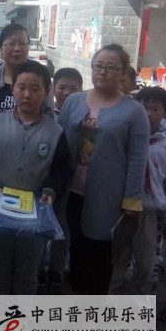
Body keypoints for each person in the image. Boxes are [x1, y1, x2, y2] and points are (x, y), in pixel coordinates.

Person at [0, 60, 71, 331]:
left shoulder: (55, 132)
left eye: (35, 88)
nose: (27, 94)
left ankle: (19, 329)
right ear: (13, 89)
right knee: (0, 270)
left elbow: (62, 170)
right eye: (22, 87)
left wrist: (51, 189)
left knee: (28, 271)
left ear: (46, 92)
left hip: (34, 215)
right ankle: (2, 326)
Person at [0, 23, 53, 299]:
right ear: (1, 47)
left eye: (22, 43)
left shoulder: (39, 78)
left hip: (30, 170)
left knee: (27, 230)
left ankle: (24, 282)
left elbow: (50, 122)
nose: (17, 48)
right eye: (11, 43)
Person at [59, 44, 149, 294]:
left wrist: (132, 200)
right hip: (72, 191)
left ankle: (94, 305)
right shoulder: (74, 102)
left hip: (109, 196)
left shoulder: (134, 111)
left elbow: (137, 159)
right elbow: (60, 144)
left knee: (99, 253)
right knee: (75, 247)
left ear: (123, 73)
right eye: (98, 66)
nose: (103, 72)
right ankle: (79, 299)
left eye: (111, 67)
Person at [110, 86, 166, 295]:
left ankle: (143, 294)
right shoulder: (126, 136)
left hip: (150, 211)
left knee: (146, 256)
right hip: (123, 207)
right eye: (144, 108)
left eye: (155, 109)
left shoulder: (164, 144)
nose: (149, 114)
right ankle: (112, 291)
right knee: (118, 253)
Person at [37, 66, 83, 292]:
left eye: (73, 88)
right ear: (52, 89)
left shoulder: (85, 117)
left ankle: (56, 268)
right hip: (44, 178)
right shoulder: (45, 114)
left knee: (62, 227)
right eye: (62, 87)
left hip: (71, 181)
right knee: (40, 223)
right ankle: (39, 267)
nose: (66, 93)